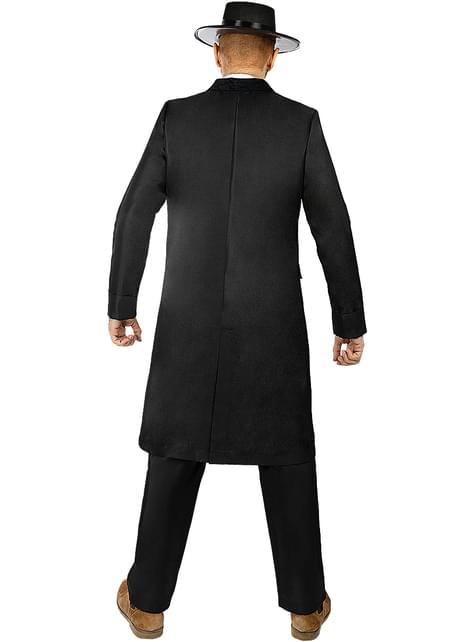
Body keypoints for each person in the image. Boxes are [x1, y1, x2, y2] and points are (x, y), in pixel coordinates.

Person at [109, 3, 367, 639]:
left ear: (217, 53)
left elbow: (134, 212)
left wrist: (122, 305)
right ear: (273, 58)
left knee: (175, 450)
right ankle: (304, 607)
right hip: (272, 322)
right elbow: (333, 227)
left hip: (186, 321)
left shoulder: (176, 117)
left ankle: (148, 604)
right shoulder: (301, 123)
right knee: (286, 455)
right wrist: (349, 320)